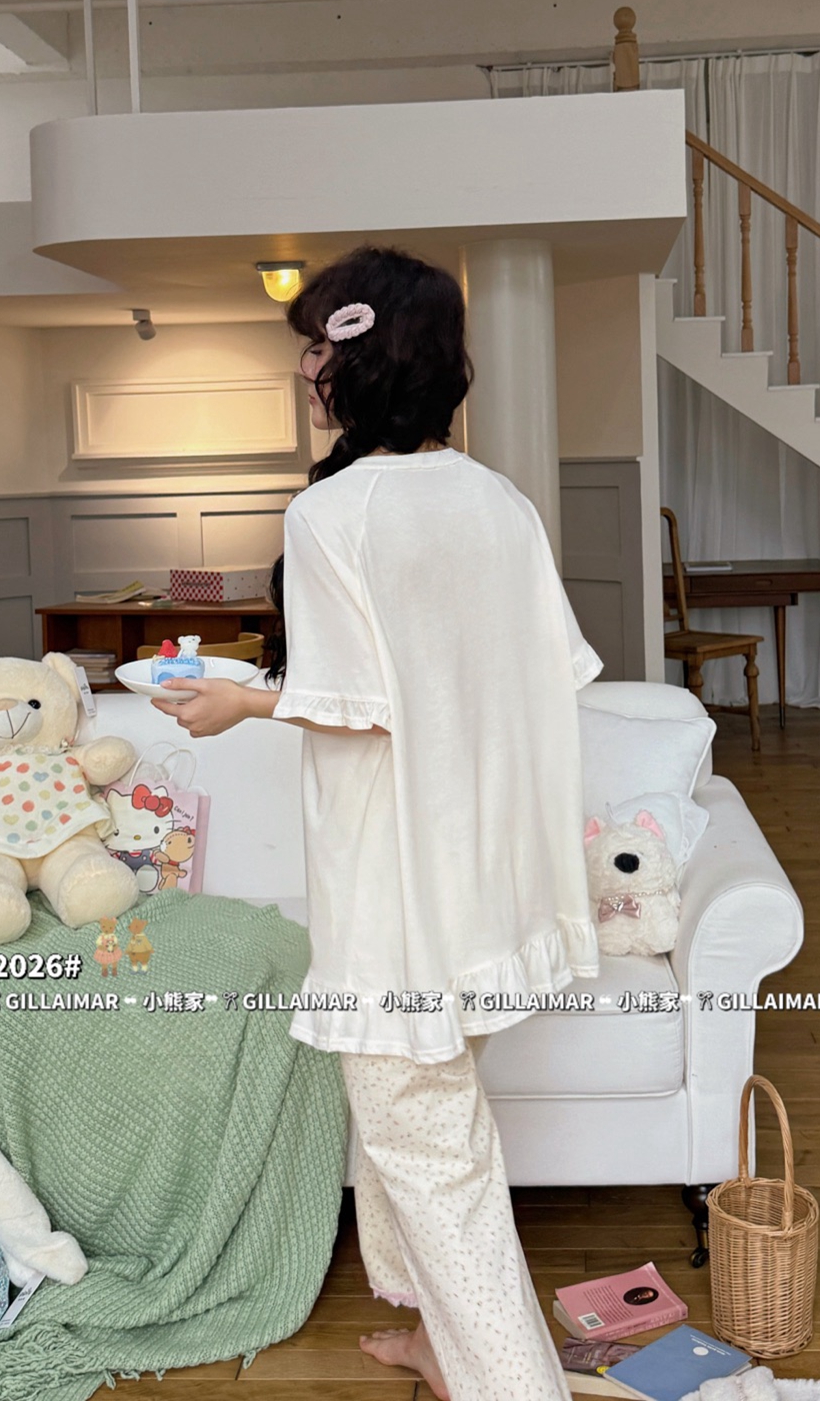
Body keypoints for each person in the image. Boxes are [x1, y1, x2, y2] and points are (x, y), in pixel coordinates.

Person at [153, 245, 601, 1401]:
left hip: (402, 897)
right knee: (418, 1118)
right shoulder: (498, 500)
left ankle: (513, 1385)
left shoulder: (332, 513)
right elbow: (546, 676)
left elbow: (356, 703)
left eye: (318, 345)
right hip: (495, 886)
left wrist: (240, 704)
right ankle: (439, 1339)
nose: (306, 368)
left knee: (427, 1146)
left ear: (362, 360)